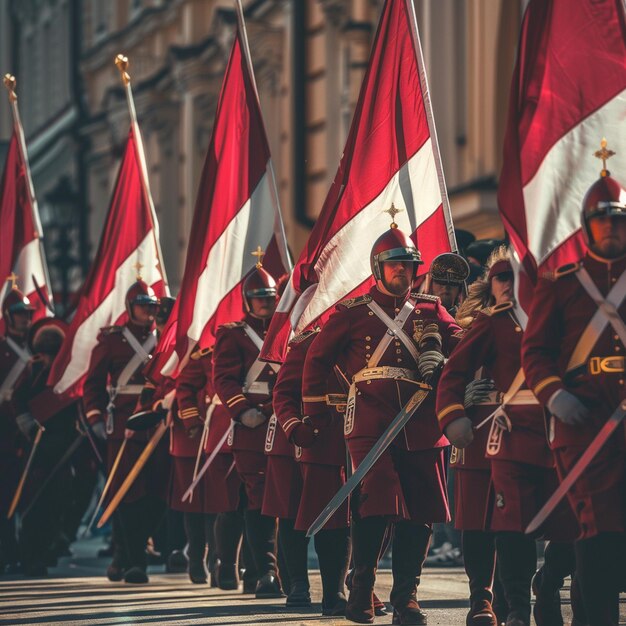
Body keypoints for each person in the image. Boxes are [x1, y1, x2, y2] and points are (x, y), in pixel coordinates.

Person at [302, 213, 460, 625]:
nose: (403, 273)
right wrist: (317, 413)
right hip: (371, 418)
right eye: (394, 265)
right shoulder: (352, 313)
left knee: (421, 509)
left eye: (408, 266)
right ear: (378, 269)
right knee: (376, 502)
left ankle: (406, 597)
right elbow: (316, 361)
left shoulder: (430, 309)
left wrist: (445, 357)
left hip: (421, 418)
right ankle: (360, 589)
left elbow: (462, 344)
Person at [437, 247, 579, 626]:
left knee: (567, 528)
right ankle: (500, 604)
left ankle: (543, 586)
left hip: (553, 431)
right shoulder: (486, 324)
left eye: (514, 277)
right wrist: (455, 413)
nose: (508, 285)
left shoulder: (557, 319)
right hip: (497, 435)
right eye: (501, 277)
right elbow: (452, 375)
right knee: (492, 524)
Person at [522, 144, 626, 625]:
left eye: (619, 221)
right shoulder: (562, 285)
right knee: (598, 531)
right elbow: (536, 351)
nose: (612, 229)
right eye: (602, 222)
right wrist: (554, 394)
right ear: (587, 227)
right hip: (584, 424)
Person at [212, 250, 283, 599]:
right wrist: (240, 411)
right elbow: (224, 379)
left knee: (279, 498)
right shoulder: (233, 334)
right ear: (247, 301)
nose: (264, 305)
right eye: (258, 300)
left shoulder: (286, 330)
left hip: (281, 421)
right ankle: (265, 572)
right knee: (256, 499)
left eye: (269, 299)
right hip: (251, 427)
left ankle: (263, 571)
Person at [83, 275, 160, 583]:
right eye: (142, 306)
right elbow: (93, 385)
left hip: (154, 423)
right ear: (130, 308)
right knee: (125, 494)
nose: (149, 311)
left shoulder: (163, 337)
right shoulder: (113, 340)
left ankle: (128, 553)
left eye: (152, 306)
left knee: (155, 495)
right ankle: (132, 560)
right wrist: (95, 418)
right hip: (122, 427)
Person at [273, 325, 352, 616]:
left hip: (365, 432)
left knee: (364, 516)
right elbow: (284, 392)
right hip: (321, 437)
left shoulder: (370, 331)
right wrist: (295, 426)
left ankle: (351, 584)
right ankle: (305, 586)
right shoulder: (307, 343)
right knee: (312, 514)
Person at [11, 318, 78, 576]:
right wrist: (26, 423)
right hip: (36, 445)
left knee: (58, 501)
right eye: (46, 353)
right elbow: (19, 399)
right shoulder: (32, 369)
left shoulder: (67, 371)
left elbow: (73, 400)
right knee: (34, 503)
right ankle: (31, 554)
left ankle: (48, 548)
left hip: (62, 445)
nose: (48, 359)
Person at [0, 278, 34, 573]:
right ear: (9, 317)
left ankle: (28, 551)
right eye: (20, 314)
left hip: (31, 433)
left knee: (29, 496)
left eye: (27, 314)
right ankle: (7, 551)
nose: (25, 319)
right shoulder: (2, 351)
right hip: (5, 435)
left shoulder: (37, 350)